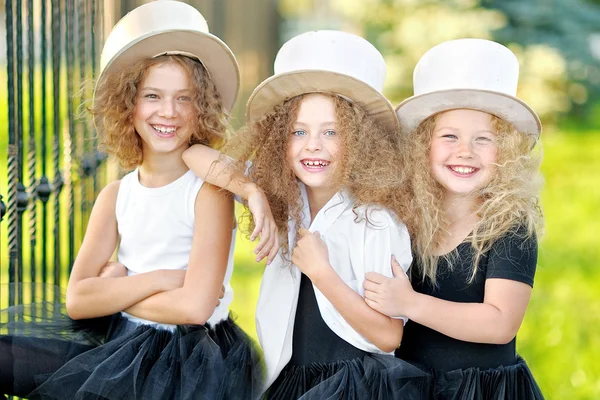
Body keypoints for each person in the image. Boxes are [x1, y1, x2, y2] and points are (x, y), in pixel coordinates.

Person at [1, 2, 261, 399]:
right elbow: (77, 301)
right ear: (129, 106)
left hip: (189, 360)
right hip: (121, 342)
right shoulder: (116, 195)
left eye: (184, 98)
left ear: (202, 108)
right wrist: (157, 281)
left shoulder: (208, 192)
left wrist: (116, 294)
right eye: (152, 95)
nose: (168, 112)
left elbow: (194, 308)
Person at [183, 30, 428, 399]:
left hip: (354, 383)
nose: (313, 145)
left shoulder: (375, 220)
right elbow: (194, 155)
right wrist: (250, 190)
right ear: (280, 139)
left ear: (360, 141)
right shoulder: (283, 199)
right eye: (299, 131)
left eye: (332, 132)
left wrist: (322, 273)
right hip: (290, 378)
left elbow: (388, 334)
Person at [364, 38, 545, 399]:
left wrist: (410, 303)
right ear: (422, 147)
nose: (465, 151)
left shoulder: (509, 225)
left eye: (483, 139)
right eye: (449, 136)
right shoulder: (404, 220)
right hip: (409, 386)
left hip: (482, 390)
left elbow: (500, 323)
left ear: (506, 152)